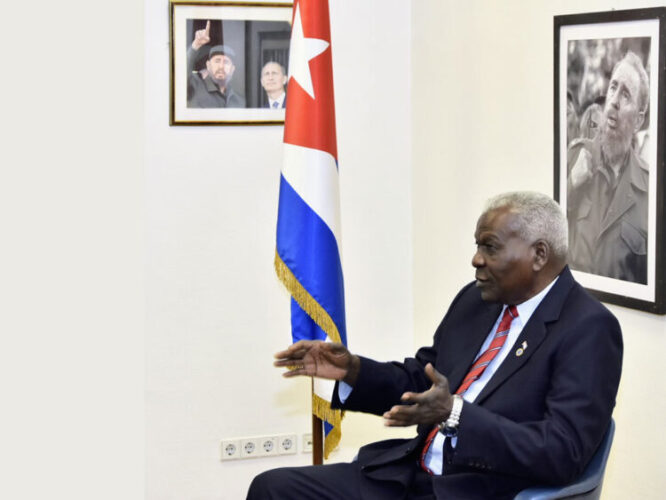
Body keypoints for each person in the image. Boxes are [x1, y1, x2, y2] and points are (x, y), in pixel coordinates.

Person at [248, 192, 623, 500]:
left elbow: (563, 452)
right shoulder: (477, 301)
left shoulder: (588, 328)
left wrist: (457, 414)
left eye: (490, 247)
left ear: (539, 255)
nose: (476, 259)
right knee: (272, 489)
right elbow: (422, 380)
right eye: (477, 245)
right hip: (408, 476)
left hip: (479, 490)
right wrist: (354, 371)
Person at [567, 51, 649, 283]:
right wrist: (571, 184)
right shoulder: (575, 157)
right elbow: (545, 236)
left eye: (626, 94)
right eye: (613, 87)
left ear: (639, 120)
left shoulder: (649, 189)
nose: (614, 100)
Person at [186, 20, 245, 108]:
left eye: (226, 62)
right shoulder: (194, 86)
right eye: (217, 61)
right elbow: (179, 74)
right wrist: (196, 45)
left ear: (232, 69)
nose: (221, 66)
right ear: (208, 65)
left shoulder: (240, 101)